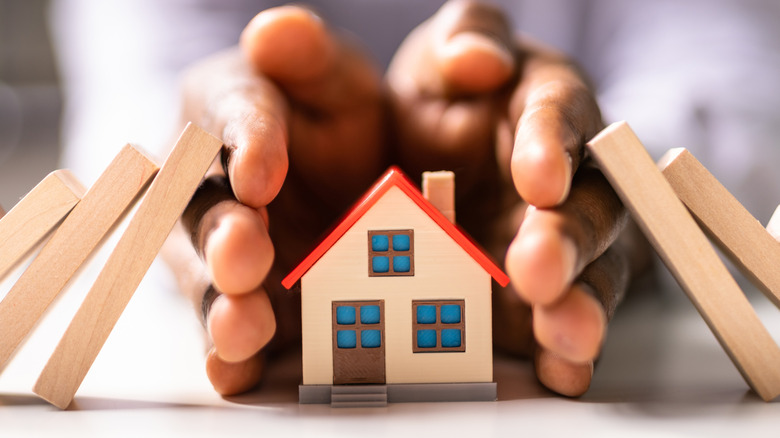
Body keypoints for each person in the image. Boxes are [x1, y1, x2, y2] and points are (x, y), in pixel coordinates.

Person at [50, 0, 780, 398]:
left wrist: (616, 190)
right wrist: (206, 174)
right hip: (272, 211)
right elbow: (133, 88)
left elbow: (729, 74)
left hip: (542, 207)